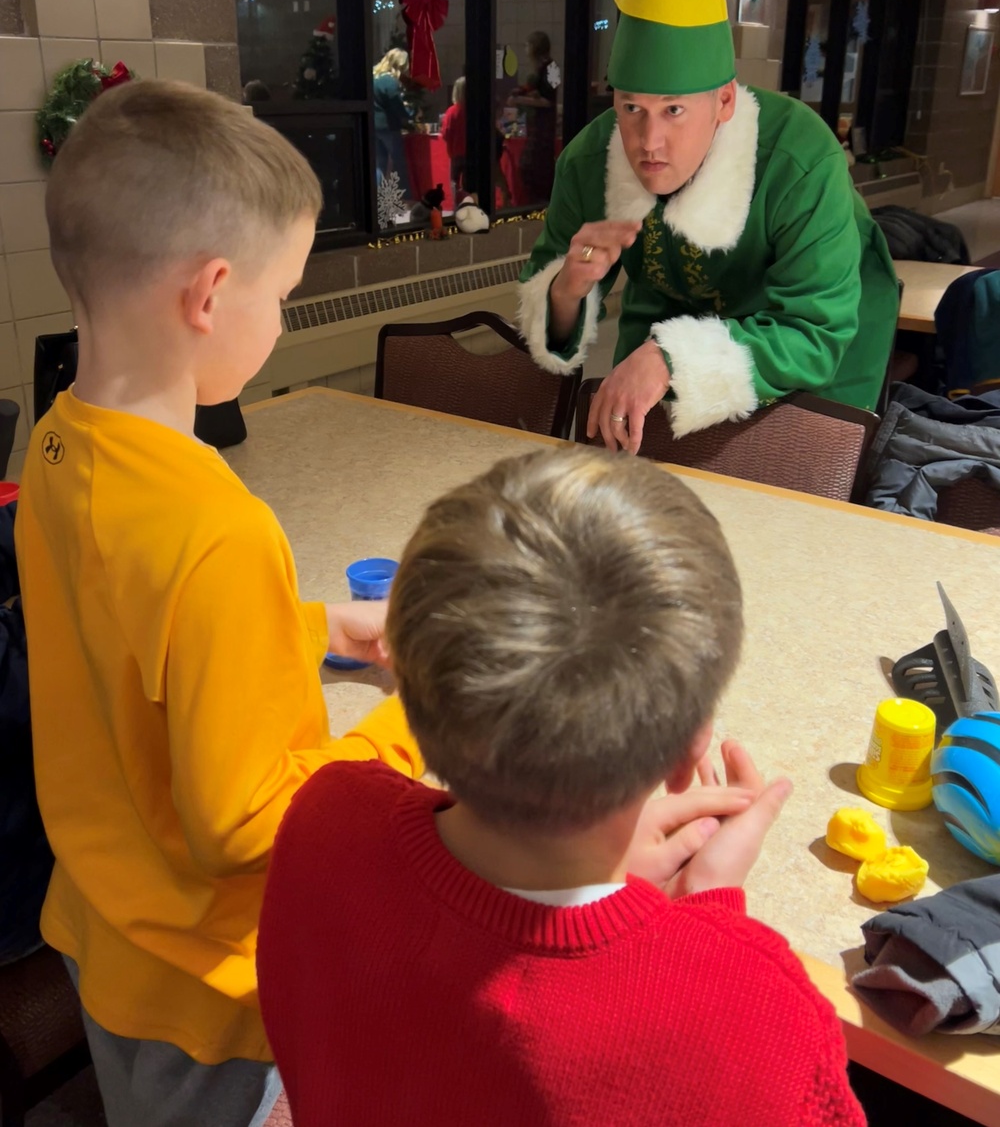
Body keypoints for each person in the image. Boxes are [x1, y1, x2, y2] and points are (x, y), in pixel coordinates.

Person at [16, 80, 423, 1127]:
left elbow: (129, 644)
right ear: (209, 295)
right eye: (281, 293)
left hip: (103, 932)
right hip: (214, 988)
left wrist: (315, 625)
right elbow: (246, 824)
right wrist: (413, 730)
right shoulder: (221, 530)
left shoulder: (57, 450)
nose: (282, 320)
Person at [257, 447, 865, 1127]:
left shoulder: (325, 817)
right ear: (691, 747)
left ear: (403, 680)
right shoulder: (759, 1013)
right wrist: (708, 924)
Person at [518, 0, 898, 454]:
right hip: (670, 316)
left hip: (817, 334)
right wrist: (566, 289)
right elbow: (553, 309)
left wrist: (674, 357)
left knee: (790, 493)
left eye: (674, 110)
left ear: (723, 102)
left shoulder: (799, 159)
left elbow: (816, 329)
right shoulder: (592, 160)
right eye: (631, 107)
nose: (649, 141)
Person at [508, 29, 558, 203]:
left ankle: (540, 203)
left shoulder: (551, 68)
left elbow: (548, 101)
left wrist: (520, 99)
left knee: (533, 166)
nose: (525, 48)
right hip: (538, 125)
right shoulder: (544, 68)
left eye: (528, 44)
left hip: (543, 127)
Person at [372, 47, 414, 196]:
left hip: (373, 126)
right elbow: (397, 106)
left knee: (379, 164)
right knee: (399, 162)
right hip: (388, 127)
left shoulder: (373, 77)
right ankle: (404, 196)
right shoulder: (389, 81)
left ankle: (376, 198)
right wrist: (411, 113)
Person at [440, 75, 467, 205]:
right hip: (471, 153)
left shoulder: (451, 112)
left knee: (454, 182)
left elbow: (445, 133)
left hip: (455, 153)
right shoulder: (475, 109)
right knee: (469, 182)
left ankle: (457, 206)